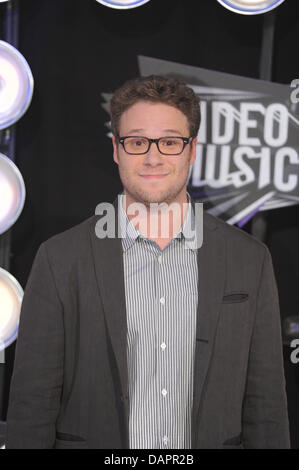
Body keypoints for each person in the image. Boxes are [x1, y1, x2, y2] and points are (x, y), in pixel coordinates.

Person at [6, 75, 290, 449]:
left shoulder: (249, 260)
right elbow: (32, 407)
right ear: (116, 149)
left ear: (191, 150)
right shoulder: (60, 259)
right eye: (138, 142)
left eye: (170, 142)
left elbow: (266, 407)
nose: (153, 157)